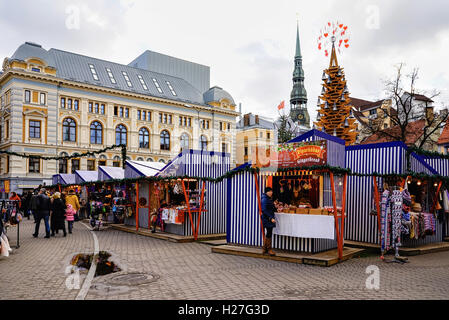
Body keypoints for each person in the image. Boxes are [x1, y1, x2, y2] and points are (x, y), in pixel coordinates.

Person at [261, 187, 276, 256]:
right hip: (267, 218)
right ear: (267, 192)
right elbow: (264, 210)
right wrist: (270, 218)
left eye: (272, 191)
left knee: (269, 233)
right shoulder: (265, 199)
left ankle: (264, 249)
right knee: (269, 233)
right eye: (270, 191)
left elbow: (270, 207)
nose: (271, 193)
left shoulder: (268, 198)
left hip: (268, 218)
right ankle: (269, 249)